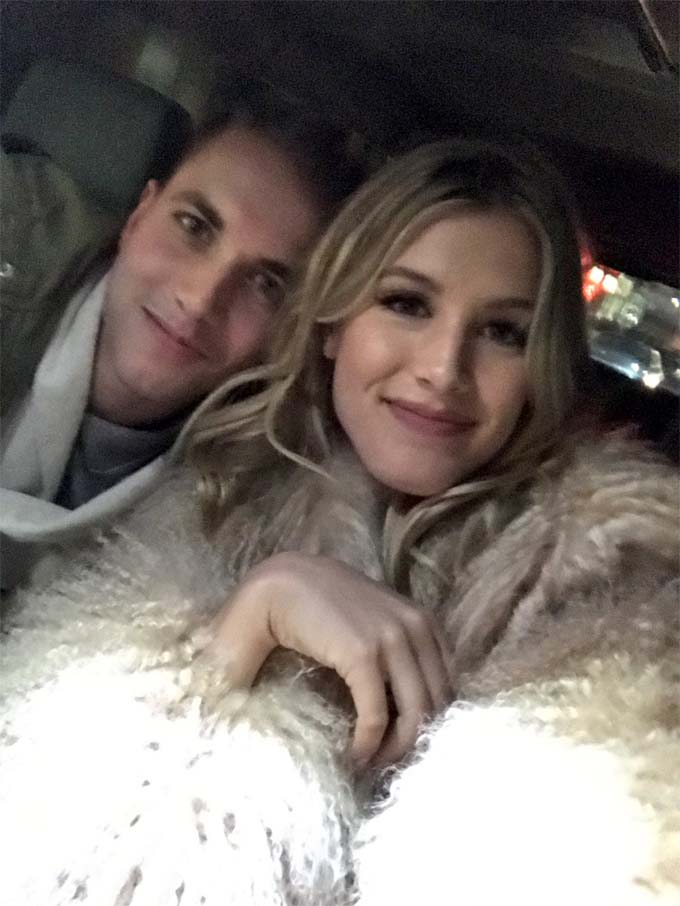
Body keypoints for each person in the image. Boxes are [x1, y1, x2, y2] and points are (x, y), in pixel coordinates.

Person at [1, 139, 677, 904]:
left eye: (502, 332)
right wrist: (246, 625)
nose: (442, 369)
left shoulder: (610, 572)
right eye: (407, 303)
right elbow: (50, 810)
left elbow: (605, 830)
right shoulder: (220, 489)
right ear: (332, 324)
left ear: (541, 366)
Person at [0, 103, 364, 589]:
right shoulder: (18, 237)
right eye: (195, 226)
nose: (199, 301)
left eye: (266, 283)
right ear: (139, 215)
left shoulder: (253, 501)